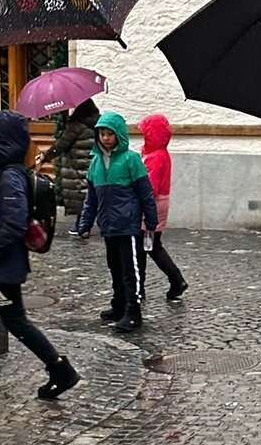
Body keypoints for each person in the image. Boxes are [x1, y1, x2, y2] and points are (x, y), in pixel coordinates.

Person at [0, 109, 78, 401]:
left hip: (0, 265)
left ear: (0, 140)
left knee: (9, 318)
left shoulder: (10, 176)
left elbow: (15, 221)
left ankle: (59, 368)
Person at [77, 112, 158, 333]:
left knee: (130, 269)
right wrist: (85, 223)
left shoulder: (131, 160)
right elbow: (91, 198)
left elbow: (145, 194)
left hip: (129, 225)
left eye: (109, 134)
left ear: (119, 135)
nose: (105, 138)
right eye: (102, 134)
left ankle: (133, 310)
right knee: (114, 267)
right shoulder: (95, 163)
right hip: (108, 226)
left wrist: (151, 221)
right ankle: (119, 304)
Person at [137, 113, 187, 302]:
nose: (144, 137)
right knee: (150, 246)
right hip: (157, 204)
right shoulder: (158, 154)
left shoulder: (156, 157)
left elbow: (150, 187)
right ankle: (175, 280)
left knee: (147, 247)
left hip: (151, 206)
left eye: (146, 133)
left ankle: (143, 288)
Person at [38, 97, 99, 235]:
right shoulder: (98, 123)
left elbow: (61, 144)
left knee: (79, 192)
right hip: (92, 163)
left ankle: (81, 225)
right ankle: (85, 223)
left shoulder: (76, 125)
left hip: (76, 163)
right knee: (88, 192)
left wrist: (45, 156)